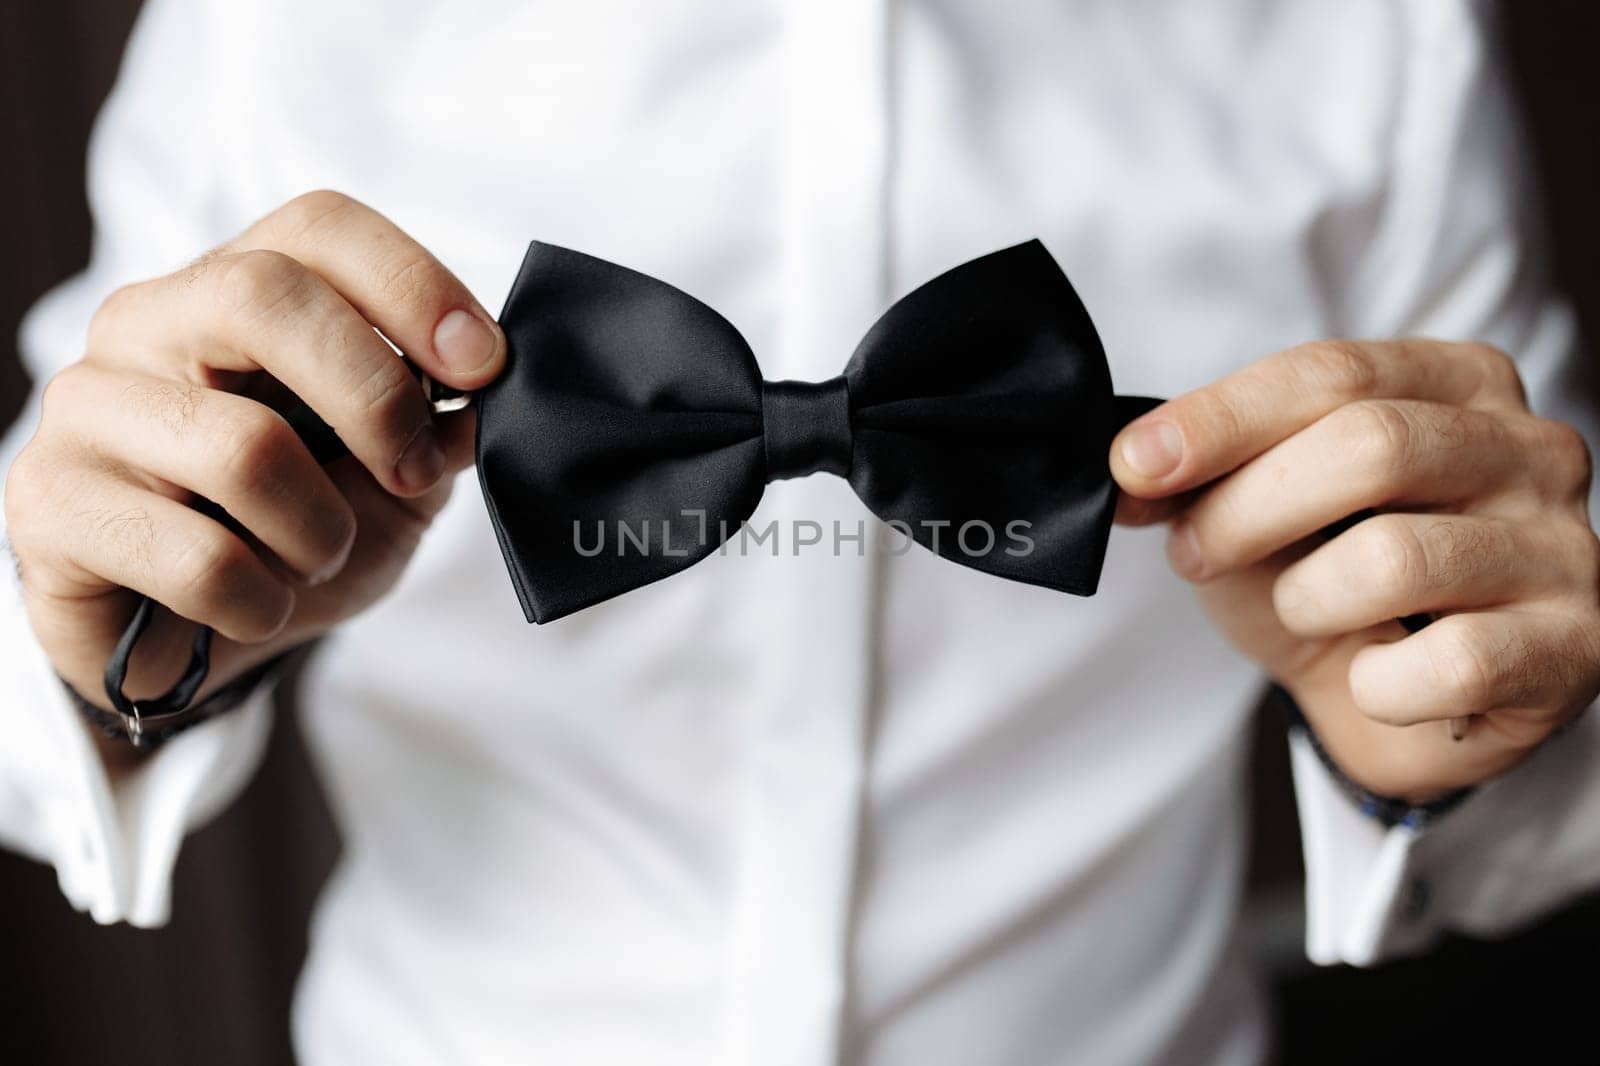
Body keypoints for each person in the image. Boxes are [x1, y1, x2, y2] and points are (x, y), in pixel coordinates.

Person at [3, 1, 1598, 1062]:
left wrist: (1446, 727)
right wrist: (101, 638)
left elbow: (1555, 717)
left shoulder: (1367, 37)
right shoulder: (267, 26)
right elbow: (41, 637)